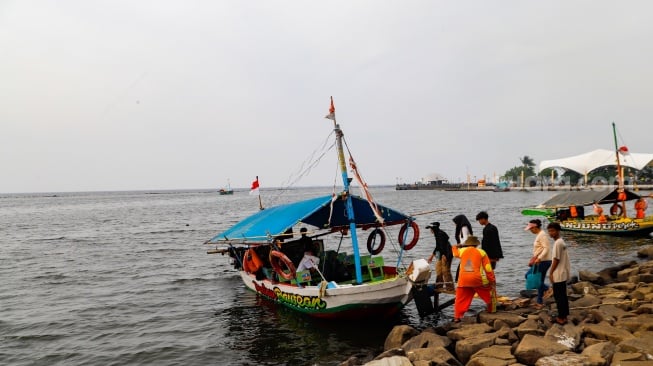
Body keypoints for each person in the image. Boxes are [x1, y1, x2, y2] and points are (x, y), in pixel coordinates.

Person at [452, 236, 496, 322]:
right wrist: (492, 281)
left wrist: (458, 245)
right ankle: (491, 310)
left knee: (460, 299)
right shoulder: (482, 252)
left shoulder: (462, 251)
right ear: (476, 245)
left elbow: (454, 251)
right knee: (489, 292)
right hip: (476, 279)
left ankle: (457, 317)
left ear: (467, 244)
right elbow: (488, 268)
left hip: (463, 279)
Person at [524, 219, 552, 309]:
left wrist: (539, 258)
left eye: (531, 229)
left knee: (528, 275)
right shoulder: (539, 235)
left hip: (543, 261)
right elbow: (540, 249)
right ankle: (539, 302)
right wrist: (535, 258)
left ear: (535, 227)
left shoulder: (542, 235)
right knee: (540, 281)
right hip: (541, 260)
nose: (530, 231)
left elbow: (546, 248)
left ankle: (548, 289)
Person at [547, 222, 571, 325]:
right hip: (563, 272)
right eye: (549, 231)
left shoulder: (557, 243)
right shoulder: (562, 242)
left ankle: (561, 318)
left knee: (559, 296)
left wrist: (551, 272)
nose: (550, 233)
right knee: (563, 296)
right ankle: (564, 316)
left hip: (558, 273)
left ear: (558, 231)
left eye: (552, 231)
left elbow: (556, 259)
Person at [426, 222, 454, 292]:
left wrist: (444, 255)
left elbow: (443, 246)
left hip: (447, 253)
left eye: (431, 229)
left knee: (445, 271)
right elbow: (438, 247)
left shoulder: (441, 234)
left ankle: (450, 288)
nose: (430, 230)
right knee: (438, 269)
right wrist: (432, 256)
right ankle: (439, 285)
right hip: (440, 253)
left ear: (434, 229)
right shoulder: (437, 234)